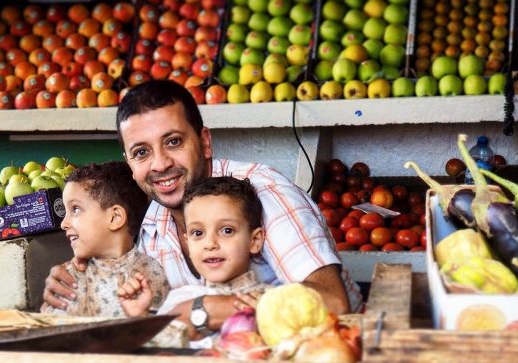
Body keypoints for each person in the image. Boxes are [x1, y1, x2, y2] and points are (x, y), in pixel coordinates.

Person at [43, 80, 362, 332]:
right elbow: (148, 308)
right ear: (130, 163)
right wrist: (80, 288)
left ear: (205, 142)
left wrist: (202, 311)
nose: (160, 164)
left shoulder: (264, 194)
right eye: (142, 152)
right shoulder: (155, 220)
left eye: (173, 142)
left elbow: (334, 303)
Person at [118, 176, 272, 344]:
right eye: (198, 233)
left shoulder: (271, 301)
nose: (210, 244)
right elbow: (160, 349)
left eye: (227, 230)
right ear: (187, 242)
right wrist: (142, 317)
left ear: (255, 241)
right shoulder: (179, 299)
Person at [40, 161, 169, 317]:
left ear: (115, 217)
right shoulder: (69, 278)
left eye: (75, 209)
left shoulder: (153, 273)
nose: (64, 224)